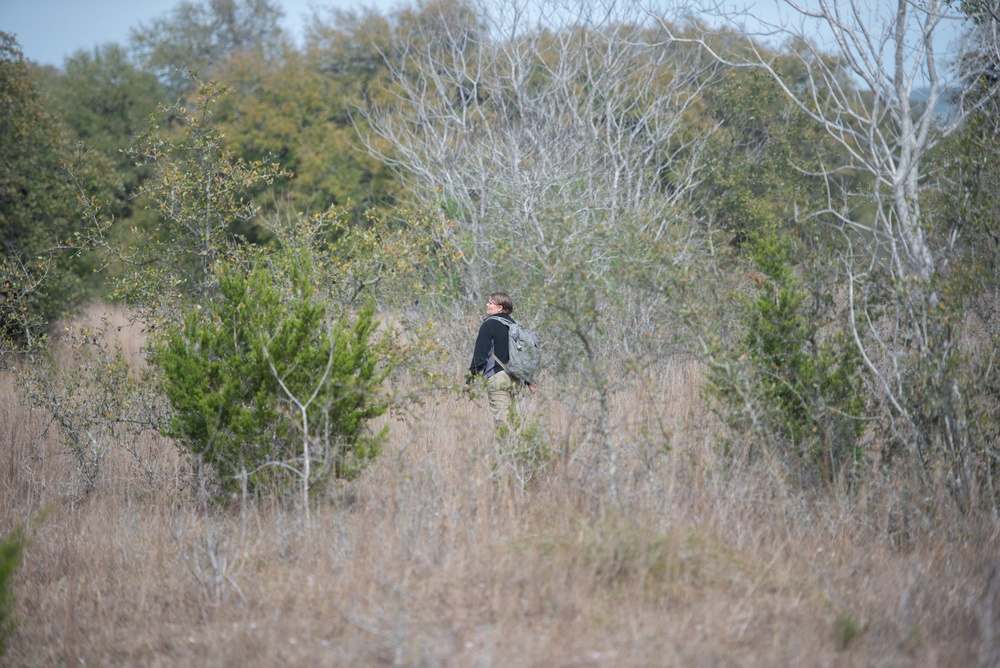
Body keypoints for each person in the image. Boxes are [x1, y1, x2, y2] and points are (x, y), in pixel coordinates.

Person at [467, 291, 536, 429]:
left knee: (503, 423)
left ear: (500, 308)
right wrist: (529, 380)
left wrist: (471, 379)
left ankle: (508, 449)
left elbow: (480, 355)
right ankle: (518, 448)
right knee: (516, 421)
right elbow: (523, 354)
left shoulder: (489, 325)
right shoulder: (515, 325)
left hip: (498, 377)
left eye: (490, 303)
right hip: (517, 378)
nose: (487, 305)